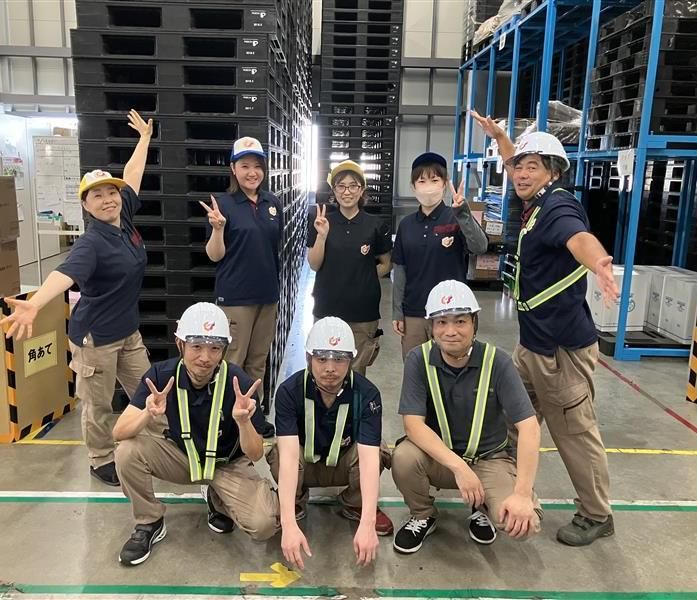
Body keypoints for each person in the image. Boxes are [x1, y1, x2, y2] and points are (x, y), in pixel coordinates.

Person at [472, 111, 619, 546]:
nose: (520, 173)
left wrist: (599, 263)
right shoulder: (534, 202)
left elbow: (578, 238)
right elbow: (514, 164)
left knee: (574, 434)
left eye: (531, 167)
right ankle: (513, 494)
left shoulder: (558, 207)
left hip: (561, 352)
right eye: (518, 166)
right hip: (532, 346)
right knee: (511, 423)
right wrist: (503, 139)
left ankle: (597, 514)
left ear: (553, 172)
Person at [0, 110, 154, 486]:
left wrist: (144, 139)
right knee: (98, 405)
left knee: (148, 390)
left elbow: (132, 175)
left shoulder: (124, 220)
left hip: (128, 332)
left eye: (111, 192)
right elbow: (65, 274)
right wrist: (37, 303)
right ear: (85, 205)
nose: (108, 200)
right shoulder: (92, 243)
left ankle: (152, 445)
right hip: (96, 339)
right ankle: (100, 458)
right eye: (97, 196)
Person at [112, 302, 279, 566]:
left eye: (215, 348)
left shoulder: (239, 384)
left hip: (227, 464)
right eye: (196, 346)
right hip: (183, 458)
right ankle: (149, 521)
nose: (205, 357)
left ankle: (217, 497)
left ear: (224, 350)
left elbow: (256, 453)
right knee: (127, 452)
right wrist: (147, 414)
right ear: (180, 344)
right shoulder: (161, 376)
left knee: (264, 525)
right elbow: (119, 432)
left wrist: (244, 422)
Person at [392, 280, 542, 554]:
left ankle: (482, 508)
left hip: (489, 459)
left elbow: (529, 427)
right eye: (441, 322)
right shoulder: (418, 359)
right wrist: (460, 468)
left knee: (522, 526)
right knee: (403, 457)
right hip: (442, 460)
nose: (450, 331)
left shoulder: (497, 362)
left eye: (460, 321)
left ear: (474, 324)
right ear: (431, 327)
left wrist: (522, 493)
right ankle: (423, 514)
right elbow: (413, 425)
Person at [268, 316, 393, 570]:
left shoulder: (367, 394)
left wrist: (368, 522)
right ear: (308, 358)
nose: (330, 368)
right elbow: (290, 458)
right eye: (322, 358)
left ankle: (355, 503)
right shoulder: (289, 391)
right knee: (280, 453)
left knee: (377, 451)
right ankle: (294, 502)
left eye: (339, 359)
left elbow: (368, 459)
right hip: (305, 466)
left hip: (343, 463)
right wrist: (289, 525)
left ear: (351, 360)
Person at [202, 136, 282, 438]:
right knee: (232, 362)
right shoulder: (221, 205)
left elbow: (274, 249)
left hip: (267, 296)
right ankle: (226, 421)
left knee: (258, 362)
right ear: (233, 169)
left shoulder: (272, 203)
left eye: (257, 166)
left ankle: (253, 416)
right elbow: (214, 255)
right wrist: (218, 229)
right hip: (235, 298)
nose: (252, 172)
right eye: (245, 165)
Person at [392, 152, 488, 359]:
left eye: (434, 180)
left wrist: (463, 213)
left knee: (451, 366)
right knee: (415, 366)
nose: (428, 187)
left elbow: (480, 247)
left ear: (444, 184)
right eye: (422, 181)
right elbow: (399, 270)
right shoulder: (406, 225)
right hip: (415, 312)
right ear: (413, 187)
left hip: (451, 311)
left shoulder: (456, 217)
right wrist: (397, 312)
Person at [308, 160, 392, 375]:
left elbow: (386, 263)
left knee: (356, 372)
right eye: (341, 186)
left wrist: (363, 276)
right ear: (334, 191)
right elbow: (314, 264)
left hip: (363, 311)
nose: (347, 192)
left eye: (353, 185)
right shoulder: (321, 221)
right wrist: (322, 236)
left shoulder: (375, 224)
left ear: (362, 190)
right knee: (325, 372)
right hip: (327, 307)